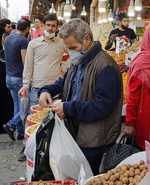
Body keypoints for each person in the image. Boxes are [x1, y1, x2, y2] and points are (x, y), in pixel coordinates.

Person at [38, 18, 123, 175]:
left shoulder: (106, 66)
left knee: (89, 176)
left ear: (87, 39)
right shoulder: (78, 61)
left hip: (94, 139)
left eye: (74, 47)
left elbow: (102, 105)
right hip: (77, 133)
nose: (71, 52)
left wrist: (68, 108)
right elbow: (65, 82)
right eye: (69, 48)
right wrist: (45, 90)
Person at [18, 13, 68, 161]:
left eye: (54, 26)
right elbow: (28, 65)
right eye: (48, 25)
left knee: (54, 121)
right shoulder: (33, 43)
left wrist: (65, 68)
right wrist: (26, 84)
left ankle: (48, 151)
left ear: (57, 27)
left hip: (56, 90)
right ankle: (28, 148)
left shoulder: (61, 43)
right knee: (34, 120)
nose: (51, 28)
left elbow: (72, 55)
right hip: (37, 89)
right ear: (43, 26)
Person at [3, 18, 31, 141]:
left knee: (17, 106)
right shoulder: (23, 41)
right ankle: (10, 125)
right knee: (25, 106)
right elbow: (25, 61)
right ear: (27, 29)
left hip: (8, 77)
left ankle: (19, 132)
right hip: (19, 78)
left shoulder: (8, 38)